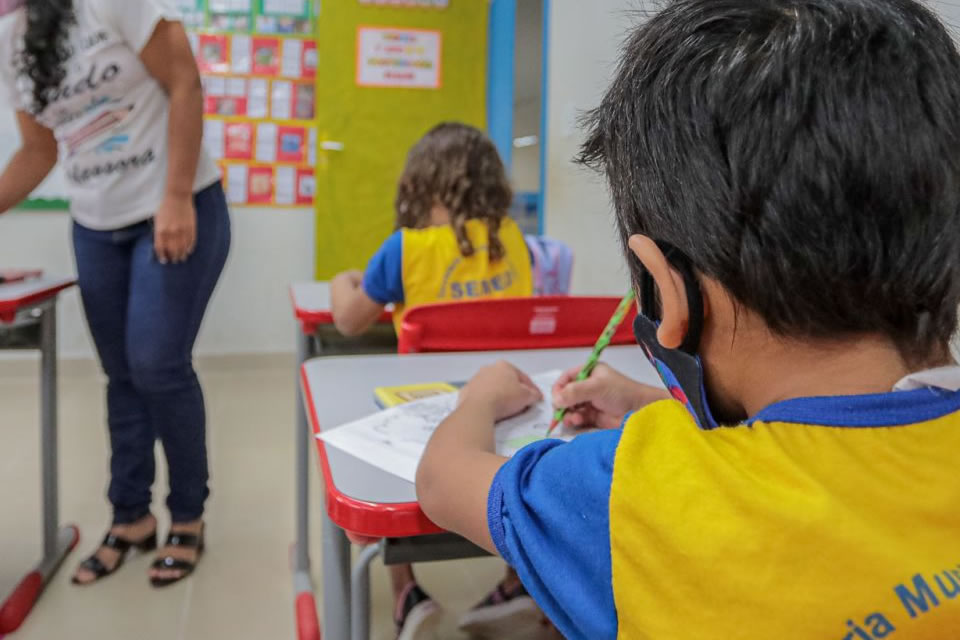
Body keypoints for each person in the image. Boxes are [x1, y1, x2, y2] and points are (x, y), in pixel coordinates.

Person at [415, 0, 960, 638]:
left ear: (665, 291)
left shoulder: (633, 489)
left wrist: (479, 399)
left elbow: (441, 481)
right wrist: (654, 404)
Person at [0, 0, 229, 587]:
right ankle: (130, 517)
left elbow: (184, 81)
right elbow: (38, 150)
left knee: (157, 365)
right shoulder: (10, 37)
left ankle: (187, 515)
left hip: (176, 204)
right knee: (122, 374)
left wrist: (176, 196)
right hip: (96, 226)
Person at [331, 122, 536, 639]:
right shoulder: (515, 241)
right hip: (512, 410)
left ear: (421, 185)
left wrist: (344, 280)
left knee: (365, 433)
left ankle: (406, 592)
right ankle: (519, 582)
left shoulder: (406, 249)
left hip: (426, 421)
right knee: (512, 461)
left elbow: (349, 321)